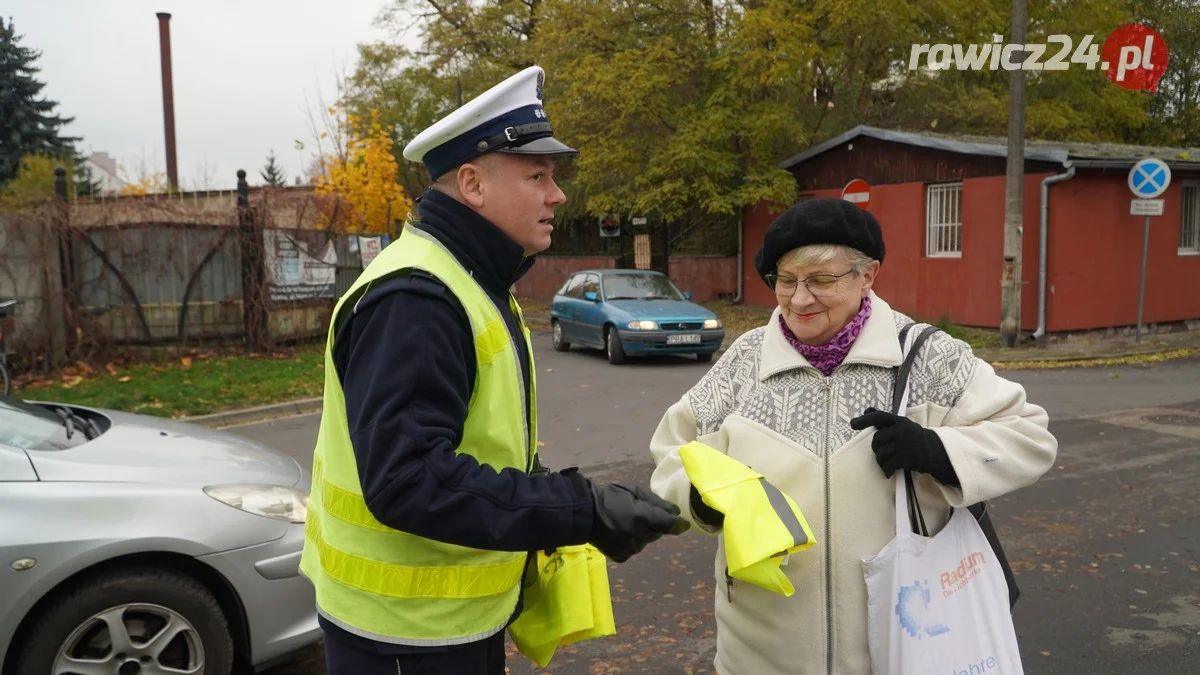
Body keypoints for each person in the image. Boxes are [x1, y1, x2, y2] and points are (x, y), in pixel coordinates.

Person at [299, 65, 687, 675]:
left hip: (438, 624)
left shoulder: (469, 276)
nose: (557, 195)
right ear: (473, 185)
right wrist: (578, 509)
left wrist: (556, 502)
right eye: (538, 176)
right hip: (405, 636)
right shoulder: (418, 297)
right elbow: (410, 480)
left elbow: (472, 442)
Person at [647, 198, 1058, 674]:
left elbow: (1030, 437)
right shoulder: (745, 362)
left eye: (821, 280)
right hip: (758, 653)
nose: (800, 299)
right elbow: (674, 454)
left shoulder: (928, 357)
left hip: (900, 649)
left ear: (868, 276)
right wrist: (703, 500)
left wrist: (939, 451)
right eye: (786, 280)